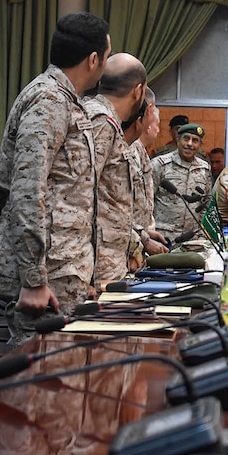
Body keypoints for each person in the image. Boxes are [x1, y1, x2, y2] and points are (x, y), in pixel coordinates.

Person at [0, 11, 110, 343]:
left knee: (57, 379)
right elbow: (24, 191)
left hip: (61, 271)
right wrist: (32, 278)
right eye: (106, 57)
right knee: (38, 380)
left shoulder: (68, 102)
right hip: (45, 279)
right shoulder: (49, 100)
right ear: (93, 60)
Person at [85, 52, 151, 287]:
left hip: (103, 258)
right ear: (138, 91)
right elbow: (83, 196)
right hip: (94, 263)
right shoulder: (101, 121)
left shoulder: (96, 116)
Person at [151, 122, 213, 243]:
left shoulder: (205, 169)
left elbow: (206, 204)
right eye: (186, 139)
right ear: (178, 140)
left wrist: (202, 234)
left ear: (200, 144)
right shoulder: (159, 164)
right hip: (163, 237)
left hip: (192, 239)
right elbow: (146, 202)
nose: (189, 144)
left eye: (195, 140)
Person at [127, 94, 169, 265]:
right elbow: (120, 209)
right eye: (157, 125)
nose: (158, 131)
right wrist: (143, 240)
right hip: (125, 246)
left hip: (136, 240)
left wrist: (145, 234)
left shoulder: (140, 151)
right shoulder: (129, 149)